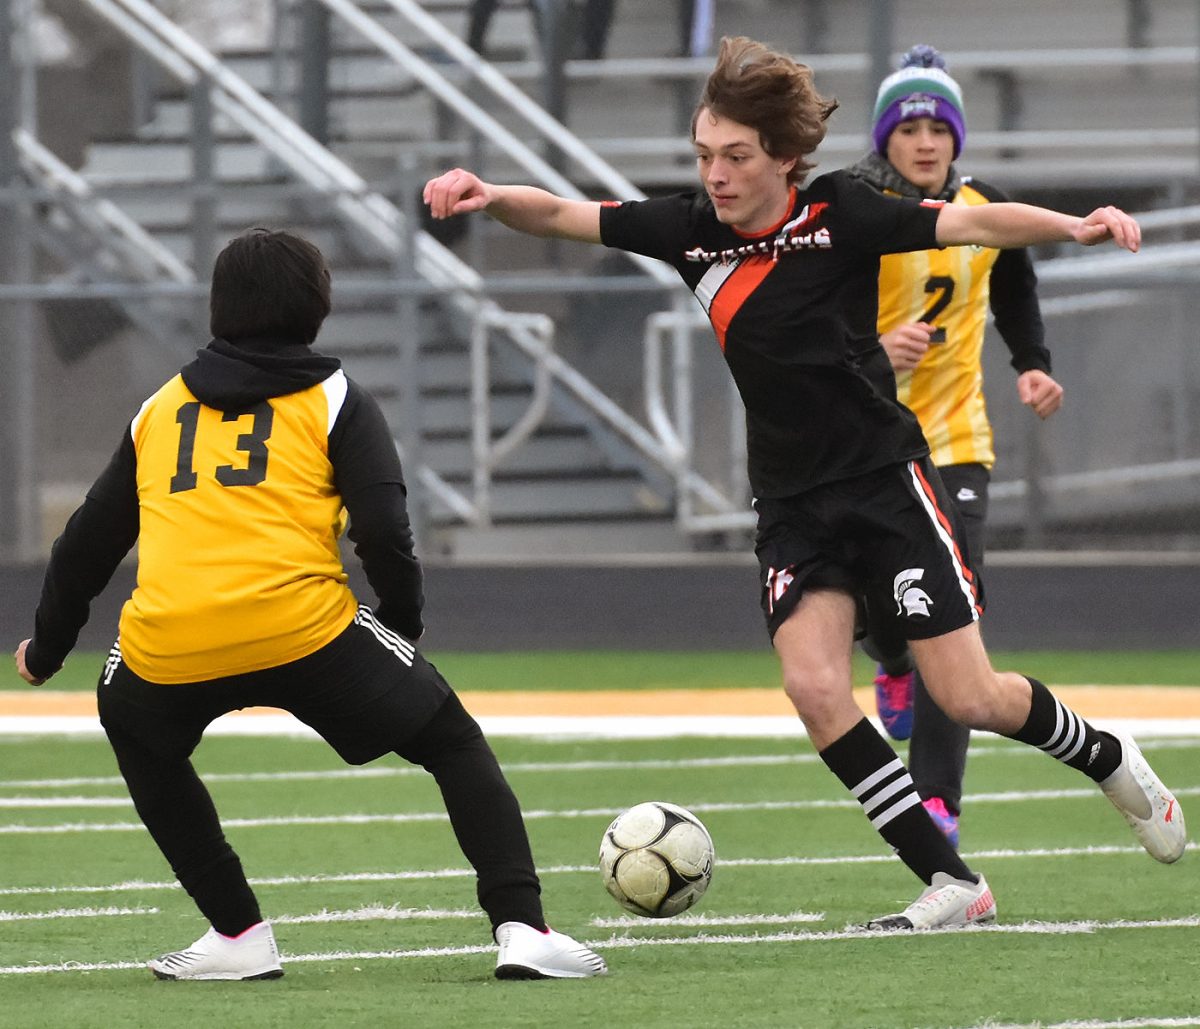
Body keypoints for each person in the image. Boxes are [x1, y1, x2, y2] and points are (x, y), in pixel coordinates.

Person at [423, 35, 1187, 930]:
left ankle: (1103, 752)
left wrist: (1074, 225)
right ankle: (952, 882)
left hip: (886, 484)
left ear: (783, 158)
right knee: (814, 687)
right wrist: (489, 194)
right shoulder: (690, 234)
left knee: (969, 696)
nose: (716, 174)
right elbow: (562, 215)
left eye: (736, 157)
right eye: (705, 155)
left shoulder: (844, 212)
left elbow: (976, 223)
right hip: (791, 505)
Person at [13, 228, 607, 982]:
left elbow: (85, 544)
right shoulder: (335, 398)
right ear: (318, 310)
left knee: (129, 716)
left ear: (216, 309)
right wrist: (401, 628)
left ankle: (236, 933)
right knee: (451, 740)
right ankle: (523, 926)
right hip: (306, 633)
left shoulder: (158, 408)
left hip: (169, 641)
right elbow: (385, 530)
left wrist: (48, 646)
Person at [847, 44, 1065, 848]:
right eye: (910, 129)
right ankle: (891, 658)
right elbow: (808, 317)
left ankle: (938, 797)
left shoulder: (982, 205)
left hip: (957, 439)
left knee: (956, 612)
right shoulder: (855, 213)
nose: (928, 141)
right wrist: (875, 349)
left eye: (941, 126)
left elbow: (1013, 283)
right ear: (885, 141)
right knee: (881, 606)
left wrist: (1033, 366)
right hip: (866, 442)